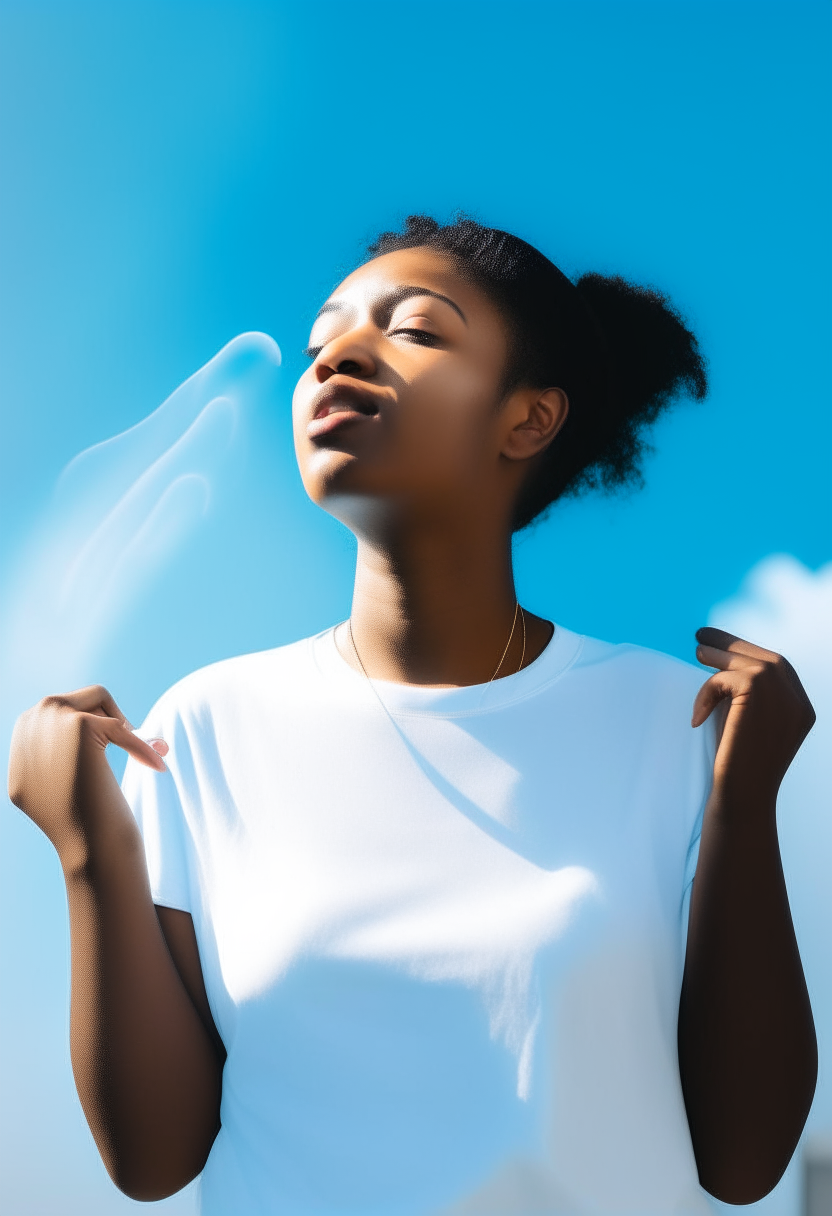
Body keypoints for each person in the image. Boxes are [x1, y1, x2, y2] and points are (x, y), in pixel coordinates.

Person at [8, 215, 817, 1215]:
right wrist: (88, 849)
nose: (338, 356)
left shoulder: (677, 719)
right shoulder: (208, 724)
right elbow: (155, 1158)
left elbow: (742, 1165)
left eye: (417, 331)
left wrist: (745, 810)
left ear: (527, 419)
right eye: (321, 343)